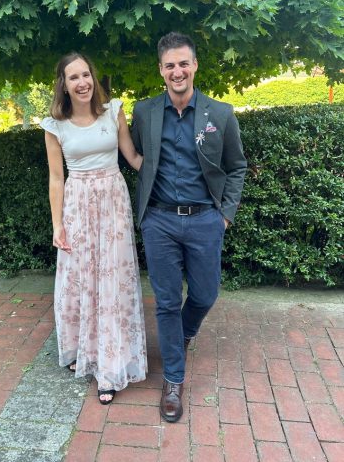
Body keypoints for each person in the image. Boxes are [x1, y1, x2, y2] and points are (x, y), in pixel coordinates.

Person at [131, 32, 247, 422]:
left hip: (205, 220)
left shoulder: (221, 114)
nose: (177, 71)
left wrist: (225, 214)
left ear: (195, 65)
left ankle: (182, 333)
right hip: (159, 220)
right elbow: (139, 157)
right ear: (160, 70)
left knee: (205, 293)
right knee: (166, 302)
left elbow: (236, 166)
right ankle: (173, 380)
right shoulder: (145, 113)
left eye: (183, 63)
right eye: (170, 65)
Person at [41, 52, 147, 405]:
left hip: (113, 204)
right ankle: (82, 351)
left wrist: (174, 170)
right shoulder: (54, 126)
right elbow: (56, 178)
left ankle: (110, 367)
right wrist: (57, 224)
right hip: (77, 206)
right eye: (73, 77)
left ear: (93, 77)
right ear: (64, 84)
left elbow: (133, 158)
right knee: (81, 278)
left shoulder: (113, 111)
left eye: (86, 74)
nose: (82, 82)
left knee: (112, 279)